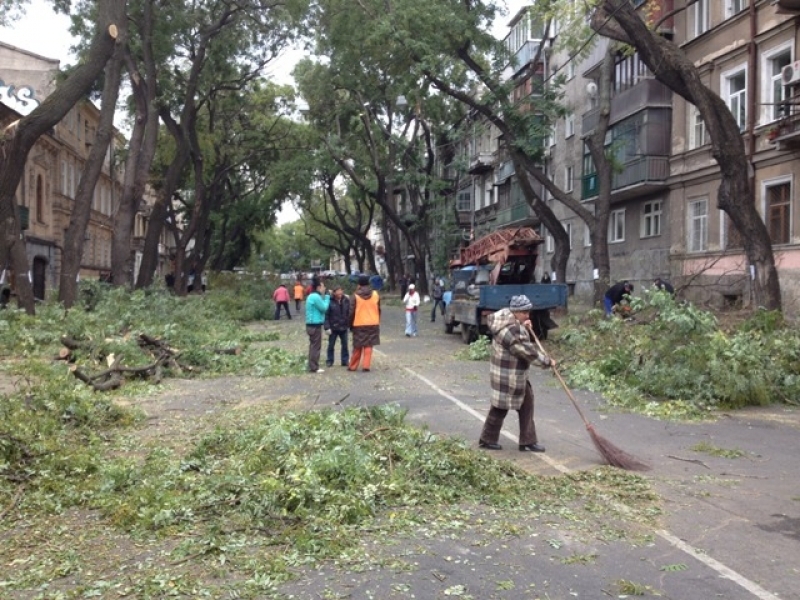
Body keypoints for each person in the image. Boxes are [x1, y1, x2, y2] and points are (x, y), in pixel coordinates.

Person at [478, 295, 552, 453]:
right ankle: (488, 439)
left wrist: (524, 326)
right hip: (508, 375)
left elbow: (523, 342)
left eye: (528, 312)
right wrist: (547, 361)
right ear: (516, 312)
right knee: (500, 407)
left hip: (508, 373)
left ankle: (526, 440)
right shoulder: (511, 329)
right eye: (525, 312)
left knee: (525, 402)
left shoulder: (506, 320)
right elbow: (527, 352)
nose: (528, 315)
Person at [349, 275, 381, 372]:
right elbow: (379, 309)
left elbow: (351, 312)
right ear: (368, 283)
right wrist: (378, 319)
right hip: (373, 322)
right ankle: (366, 365)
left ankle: (353, 366)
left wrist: (350, 324)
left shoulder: (355, 296)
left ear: (358, 284)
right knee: (369, 344)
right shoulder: (375, 294)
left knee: (358, 345)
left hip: (359, 323)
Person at [305, 279, 331, 373]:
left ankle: (312, 365)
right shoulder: (315, 297)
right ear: (318, 287)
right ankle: (314, 367)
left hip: (311, 324)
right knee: (316, 347)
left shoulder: (312, 296)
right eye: (323, 286)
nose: (324, 288)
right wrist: (327, 296)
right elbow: (324, 308)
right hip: (314, 325)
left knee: (313, 346)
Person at [324, 286, 351, 367]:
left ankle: (345, 360)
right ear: (334, 293)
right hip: (333, 327)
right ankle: (330, 360)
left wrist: (349, 324)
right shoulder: (329, 301)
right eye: (338, 291)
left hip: (344, 326)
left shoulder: (346, 300)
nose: (340, 293)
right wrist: (327, 327)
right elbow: (326, 315)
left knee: (345, 345)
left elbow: (349, 312)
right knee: (331, 345)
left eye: (341, 291)